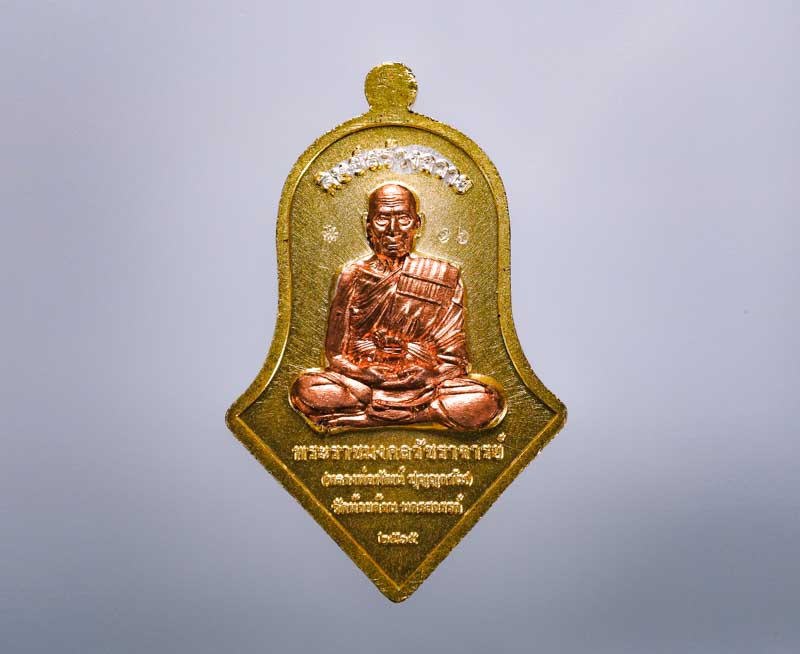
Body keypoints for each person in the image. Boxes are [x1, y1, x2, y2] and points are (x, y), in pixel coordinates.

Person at [290, 183, 505, 432]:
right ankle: (421, 416)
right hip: (364, 386)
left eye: (403, 218)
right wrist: (368, 374)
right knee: (306, 389)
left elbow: (455, 361)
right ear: (368, 224)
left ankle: (374, 418)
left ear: (417, 223)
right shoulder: (353, 275)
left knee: (486, 400)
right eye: (382, 219)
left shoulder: (443, 276)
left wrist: (426, 374)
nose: (393, 229)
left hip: (424, 388)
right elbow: (335, 354)